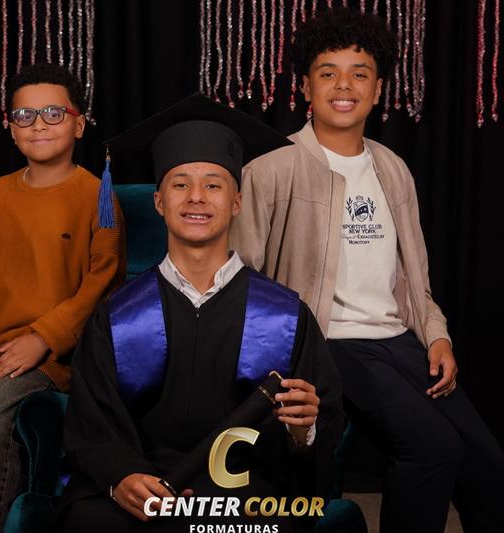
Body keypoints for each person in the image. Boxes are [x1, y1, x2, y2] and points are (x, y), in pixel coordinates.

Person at [230, 8, 504, 533]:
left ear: (379, 88)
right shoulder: (271, 169)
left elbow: (414, 279)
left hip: (399, 340)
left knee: (484, 461)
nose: (344, 86)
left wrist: (437, 335)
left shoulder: (393, 169)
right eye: (328, 73)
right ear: (306, 86)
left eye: (359, 73)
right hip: (328, 344)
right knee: (432, 448)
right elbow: (243, 276)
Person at [57, 94, 344, 532]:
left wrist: (304, 429)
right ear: (158, 202)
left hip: (244, 494)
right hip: (146, 491)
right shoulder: (118, 317)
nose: (196, 198)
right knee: (87, 520)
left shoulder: (284, 317)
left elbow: (318, 429)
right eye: (179, 184)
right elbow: (91, 423)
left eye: (213, 185)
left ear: (236, 202)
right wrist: (122, 477)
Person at [0, 63, 126, 533]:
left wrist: (43, 338)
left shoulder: (97, 195)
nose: (38, 124)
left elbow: (103, 281)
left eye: (53, 113)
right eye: (24, 115)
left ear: (79, 124)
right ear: (10, 128)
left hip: (54, 355)